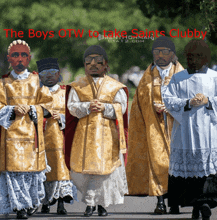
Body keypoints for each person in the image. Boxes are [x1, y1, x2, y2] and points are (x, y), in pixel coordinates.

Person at [66, 45, 129, 217]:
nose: (93, 66)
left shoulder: (115, 86)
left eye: (98, 63)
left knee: (106, 171)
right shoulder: (77, 85)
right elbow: (71, 107)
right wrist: (87, 106)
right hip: (84, 135)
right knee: (86, 171)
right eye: (88, 63)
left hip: (107, 134)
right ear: (85, 65)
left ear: (105, 64)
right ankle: (89, 204)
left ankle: (102, 204)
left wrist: (105, 107)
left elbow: (121, 108)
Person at [126, 36, 184, 214]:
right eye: (156, 52)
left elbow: (188, 100)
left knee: (176, 165)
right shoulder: (147, 78)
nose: (160, 55)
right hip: (154, 128)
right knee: (158, 163)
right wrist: (151, 108)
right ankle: (160, 201)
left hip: (177, 128)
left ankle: (175, 201)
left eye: (164, 52)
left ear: (172, 54)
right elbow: (138, 104)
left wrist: (169, 108)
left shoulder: (182, 76)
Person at [0, 39, 53, 219]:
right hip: (11, 137)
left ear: (29, 59)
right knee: (15, 173)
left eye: (23, 55)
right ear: (9, 59)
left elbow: (49, 105)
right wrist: (11, 109)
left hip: (33, 135)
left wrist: (32, 109)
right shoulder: (1, 84)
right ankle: (20, 207)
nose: (19, 59)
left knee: (31, 173)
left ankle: (29, 204)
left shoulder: (39, 81)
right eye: (15, 55)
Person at [163, 39, 217, 220]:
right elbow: (168, 101)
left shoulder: (214, 77)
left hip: (209, 131)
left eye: (196, 56)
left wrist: (208, 101)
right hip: (185, 131)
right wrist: (188, 102)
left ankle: (205, 203)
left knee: (207, 169)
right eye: (189, 57)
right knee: (188, 169)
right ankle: (195, 205)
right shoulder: (178, 78)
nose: (192, 60)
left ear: (205, 58)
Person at [36, 58, 77, 215]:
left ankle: (61, 204)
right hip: (42, 139)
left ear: (58, 74)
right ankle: (45, 203)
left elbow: (73, 114)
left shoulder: (66, 92)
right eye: (45, 74)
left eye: (52, 73)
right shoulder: (37, 93)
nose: (49, 76)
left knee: (61, 170)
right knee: (44, 172)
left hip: (61, 138)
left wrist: (61, 117)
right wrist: (43, 113)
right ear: (40, 76)